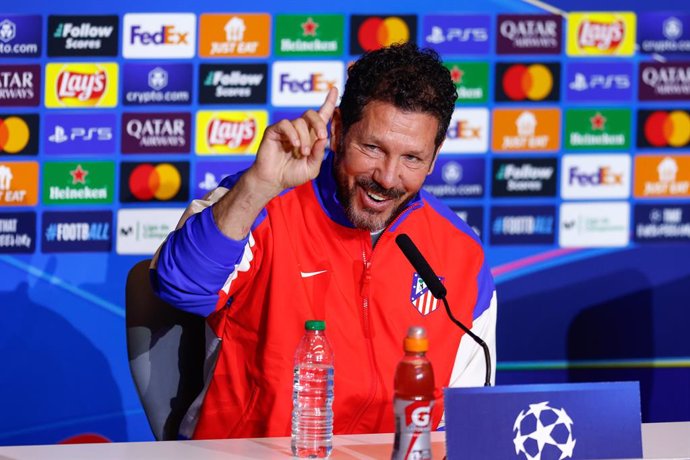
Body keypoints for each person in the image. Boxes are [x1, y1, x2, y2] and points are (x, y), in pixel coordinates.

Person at [152, 42, 497, 439]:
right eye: (372, 148)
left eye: (412, 159)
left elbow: (465, 418)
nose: (387, 177)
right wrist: (258, 187)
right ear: (337, 130)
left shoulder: (461, 253)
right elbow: (178, 286)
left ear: (435, 158)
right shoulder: (259, 204)